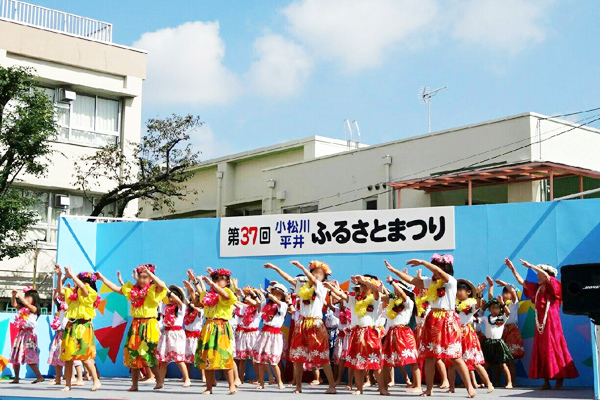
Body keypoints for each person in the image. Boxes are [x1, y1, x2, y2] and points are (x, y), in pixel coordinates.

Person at [391, 254, 477, 398]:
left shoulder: (451, 281)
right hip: (432, 320)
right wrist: (394, 272)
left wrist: (423, 262)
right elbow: (413, 280)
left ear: (445, 267)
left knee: (455, 356)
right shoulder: (431, 282)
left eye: (437, 266)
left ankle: (470, 388)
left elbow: (440, 273)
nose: (434, 270)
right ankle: (429, 390)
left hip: (448, 320)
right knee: (430, 356)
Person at [264, 260, 337, 394]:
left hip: (315, 324)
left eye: (320, 273)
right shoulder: (303, 288)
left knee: (323, 357)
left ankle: (332, 386)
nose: (316, 275)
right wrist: (275, 268)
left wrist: (301, 267)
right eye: (314, 272)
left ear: (324, 277)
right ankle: (298, 386)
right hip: (302, 324)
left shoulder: (321, 287)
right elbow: (289, 279)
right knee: (298, 358)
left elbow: (313, 280)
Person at [505, 258, 579, 390]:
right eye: (538, 274)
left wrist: (532, 266)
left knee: (554, 350)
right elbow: (522, 282)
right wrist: (512, 269)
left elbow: (546, 276)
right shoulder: (537, 289)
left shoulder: (554, 285)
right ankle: (546, 382)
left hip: (553, 324)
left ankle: (559, 380)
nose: (538, 276)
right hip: (541, 325)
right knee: (541, 351)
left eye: (539, 274)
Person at [96, 264, 167, 391]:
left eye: (145, 277)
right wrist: (102, 279)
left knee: (149, 354)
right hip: (135, 325)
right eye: (140, 277)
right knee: (133, 355)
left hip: (149, 324)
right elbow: (117, 289)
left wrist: (150, 274)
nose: (142, 280)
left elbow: (162, 285)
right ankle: (134, 385)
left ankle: (159, 379)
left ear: (151, 279)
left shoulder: (153, 290)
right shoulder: (133, 290)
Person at [326, 275, 388, 396]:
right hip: (356, 333)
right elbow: (342, 295)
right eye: (361, 286)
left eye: (364, 286)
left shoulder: (375, 299)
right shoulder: (355, 300)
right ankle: (359, 388)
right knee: (357, 363)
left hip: (370, 333)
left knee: (375, 363)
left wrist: (364, 280)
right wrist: (331, 288)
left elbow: (375, 290)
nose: (362, 288)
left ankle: (382, 388)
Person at [57, 265, 101, 392]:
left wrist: (74, 277)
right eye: (81, 282)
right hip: (71, 327)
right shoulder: (73, 294)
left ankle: (96, 380)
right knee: (68, 357)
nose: (82, 285)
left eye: (86, 283)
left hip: (83, 326)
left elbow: (84, 289)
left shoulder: (90, 293)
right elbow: (60, 292)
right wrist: (61, 276)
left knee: (85, 356)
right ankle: (68, 384)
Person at [195, 267, 238, 395]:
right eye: (216, 279)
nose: (218, 281)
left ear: (227, 282)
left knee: (225, 356)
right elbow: (199, 300)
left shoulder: (228, 293)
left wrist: (212, 284)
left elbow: (224, 295)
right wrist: (195, 283)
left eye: (221, 279)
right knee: (208, 358)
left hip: (221, 327)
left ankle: (231, 385)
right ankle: (209, 387)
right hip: (208, 326)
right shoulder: (208, 295)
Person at [381, 266, 422, 394]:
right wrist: (377, 286)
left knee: (412, 360)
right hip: (392, 333)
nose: (395, 290)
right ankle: (384, 387)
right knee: (387, 361)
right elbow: (382, 296)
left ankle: (418, 386)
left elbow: (403, 294)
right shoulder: (393, 301)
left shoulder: (408, 301)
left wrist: (393, 281)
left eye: (398, 288)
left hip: (403, 332)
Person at [448, 280, 493, 393]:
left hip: (467, 334)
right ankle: (451, 387)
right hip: (455, 333)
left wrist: (478, 294)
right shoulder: (454, 304)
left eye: (460, 290)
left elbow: (478, 305)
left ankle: (489, 384)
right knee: (452, 363)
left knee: (475, 363)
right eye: (456, 290)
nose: (458, 292)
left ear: (468, 292)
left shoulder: (471, 303)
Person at [253, 282, 290, 390]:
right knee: (260, 361)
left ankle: (279, 382)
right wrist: (257, 294)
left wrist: (273, 297)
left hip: (275, 335)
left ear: (283, 296)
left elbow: (278, 302)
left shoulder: (283, 305)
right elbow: (259, 305)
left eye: (279, 294)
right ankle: (261, 383)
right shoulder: (266, 304)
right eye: (274, 293)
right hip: (264, 333)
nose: (276, 295)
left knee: (274, 361)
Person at [479, 284, 513, 389]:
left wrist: (502, 303)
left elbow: (508, 312)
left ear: (500, 309)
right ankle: (484, 382)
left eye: (497, 308)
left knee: (502, 364)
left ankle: (509, 382)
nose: (494, 310)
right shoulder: (485, 318)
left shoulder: (502, 318)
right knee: (486, 364)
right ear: (489, 309)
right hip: (488, 343)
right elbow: (477, 320)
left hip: (498, 343)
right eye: (492, 308)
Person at [156, 285, 191, 388]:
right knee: (163, 361)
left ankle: (187, 379)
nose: (171, 298)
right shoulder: (164, 307)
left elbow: (179, 301)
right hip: (166, 334)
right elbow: (159, 298)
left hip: (177, 334)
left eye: (173, 296)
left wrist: (169, 292)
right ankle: (160, 382)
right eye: (169, 296)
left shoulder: (181, 307)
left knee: (179, 359)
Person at [9, 286, 44, 384]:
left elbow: (26, 303)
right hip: (21, 334)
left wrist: (20, 296)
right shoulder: (23, 308)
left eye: (29, 297)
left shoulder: (34, 308)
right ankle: (16, 378)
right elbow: (14, 304)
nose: (27, 298)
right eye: (26, 296)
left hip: (29, 335)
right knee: (16, 357)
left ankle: (39, 376)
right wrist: (14, 295)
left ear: (34, 299)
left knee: (30, 357)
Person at [234, 286, 262, 383]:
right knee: (242, 358)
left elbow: (258, 303)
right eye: (246, 296)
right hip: (244, 334)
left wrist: (252, 295)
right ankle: (240, 378)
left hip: (253, 334)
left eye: (248, 296)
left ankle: (259, 377)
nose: (246, 298)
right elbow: (236, 303)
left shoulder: (258, 309)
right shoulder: (245, 308)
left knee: (253, 358)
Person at [183, 273, 206, 383]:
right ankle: (186, 376)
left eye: (197, 298)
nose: (194, 299)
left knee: (199, 357)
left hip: (196, 336)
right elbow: (190, 293)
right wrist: (189, 282)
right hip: (187, 335)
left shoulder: (201, 310)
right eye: (194, 298)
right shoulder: (188, 310)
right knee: (186, 358)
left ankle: (203, 377)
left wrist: (199, 281)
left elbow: (200, 296)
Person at [48, 285, 68, 385]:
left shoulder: (70, 305)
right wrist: (56, 291)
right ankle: (58, 378)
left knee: (69, 358)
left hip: (67, 334)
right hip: (58, 335)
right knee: (57, 356)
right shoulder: (60, 306)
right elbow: (55, 299)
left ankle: (73, 377)